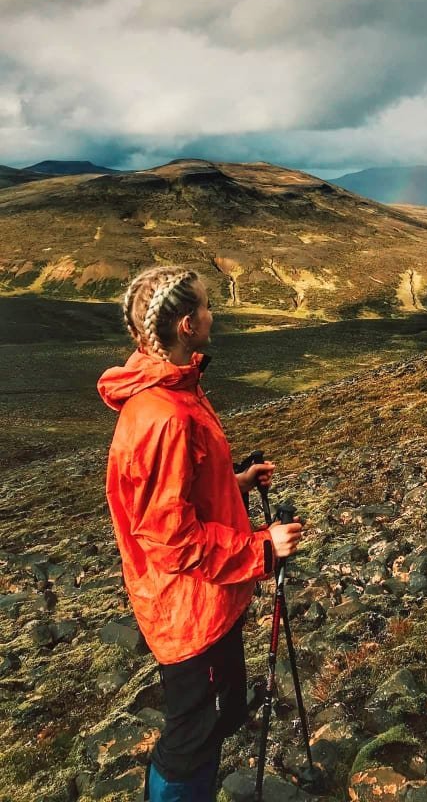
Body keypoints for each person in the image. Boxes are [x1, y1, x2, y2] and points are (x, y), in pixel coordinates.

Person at [97, 265, 303, 801]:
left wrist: (234, 483)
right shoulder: (164, 415)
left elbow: (182, 494)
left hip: (204, 601)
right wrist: (262, 547)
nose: (215, 313)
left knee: (216, 716)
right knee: (192, 734)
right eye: (208, 307)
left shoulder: (175, 389)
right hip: (188, 611)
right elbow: (173, 540)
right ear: (188, 324)